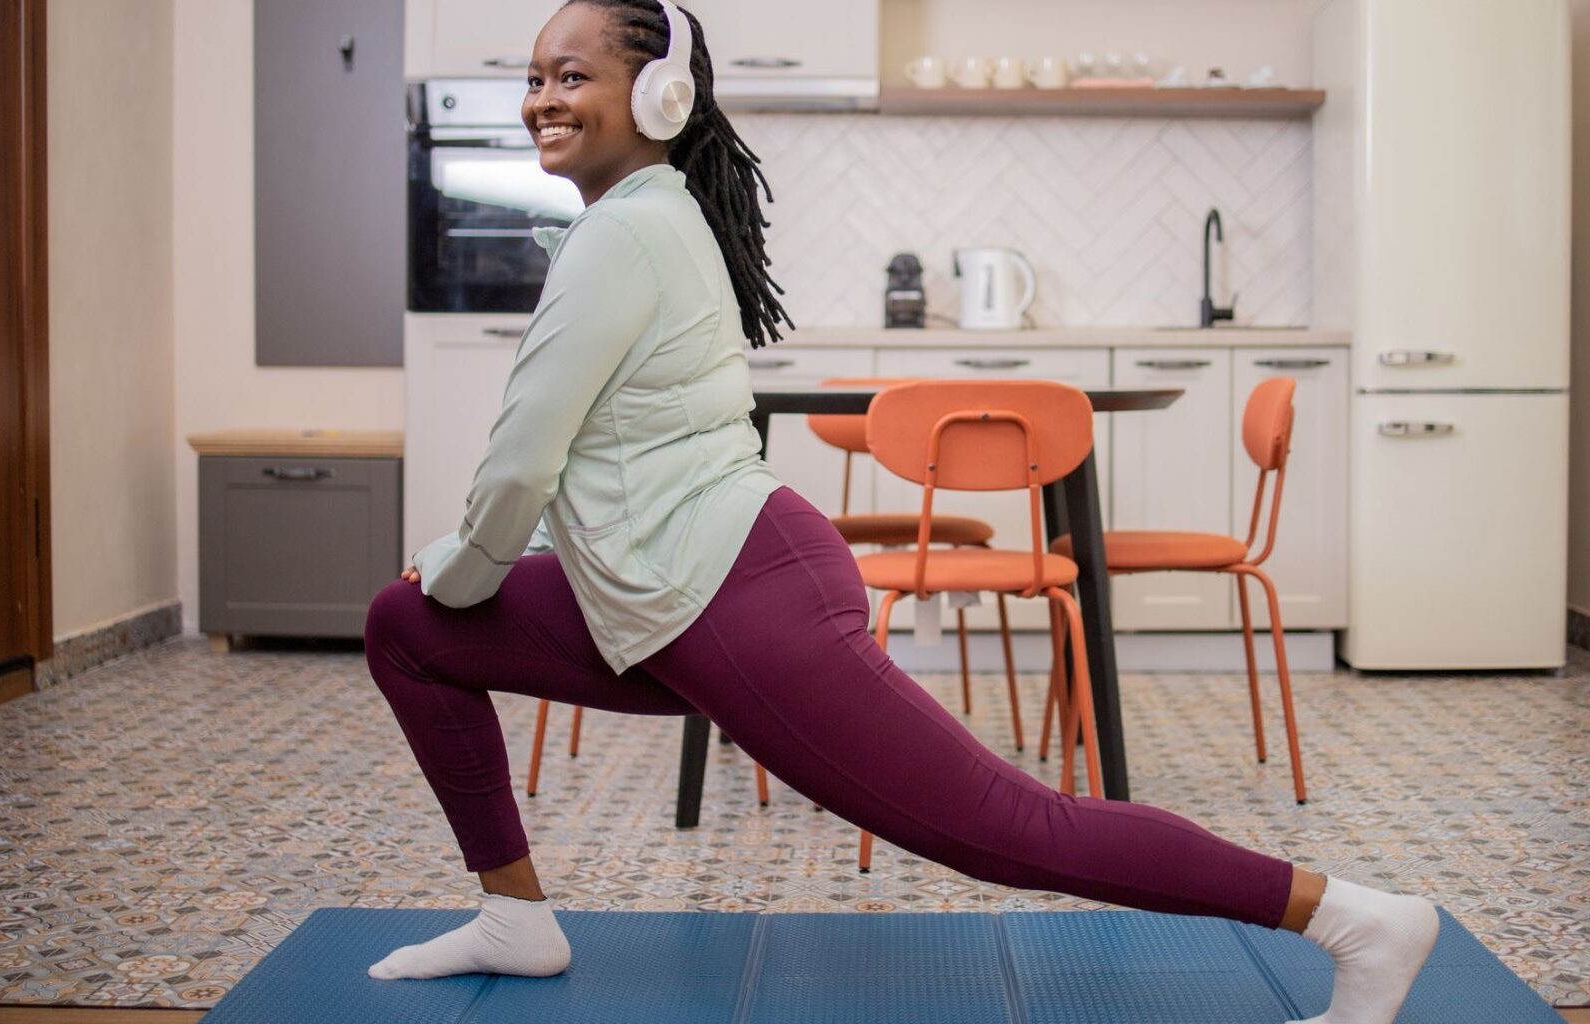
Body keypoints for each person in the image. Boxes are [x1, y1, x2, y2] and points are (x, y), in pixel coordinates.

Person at [362, 2, 1439, 1021]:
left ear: (659, 99)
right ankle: (514, 915)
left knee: (1011, 830)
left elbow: (520, 464)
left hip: (732, 596)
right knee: (408, 628)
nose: (543, 97)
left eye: (573, 75)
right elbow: (604, 458)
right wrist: (456, 578)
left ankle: (1357, 920)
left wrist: (462, 563)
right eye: (535, 77)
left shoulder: (621, 235)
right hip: (675, 585)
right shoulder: (642, 221)